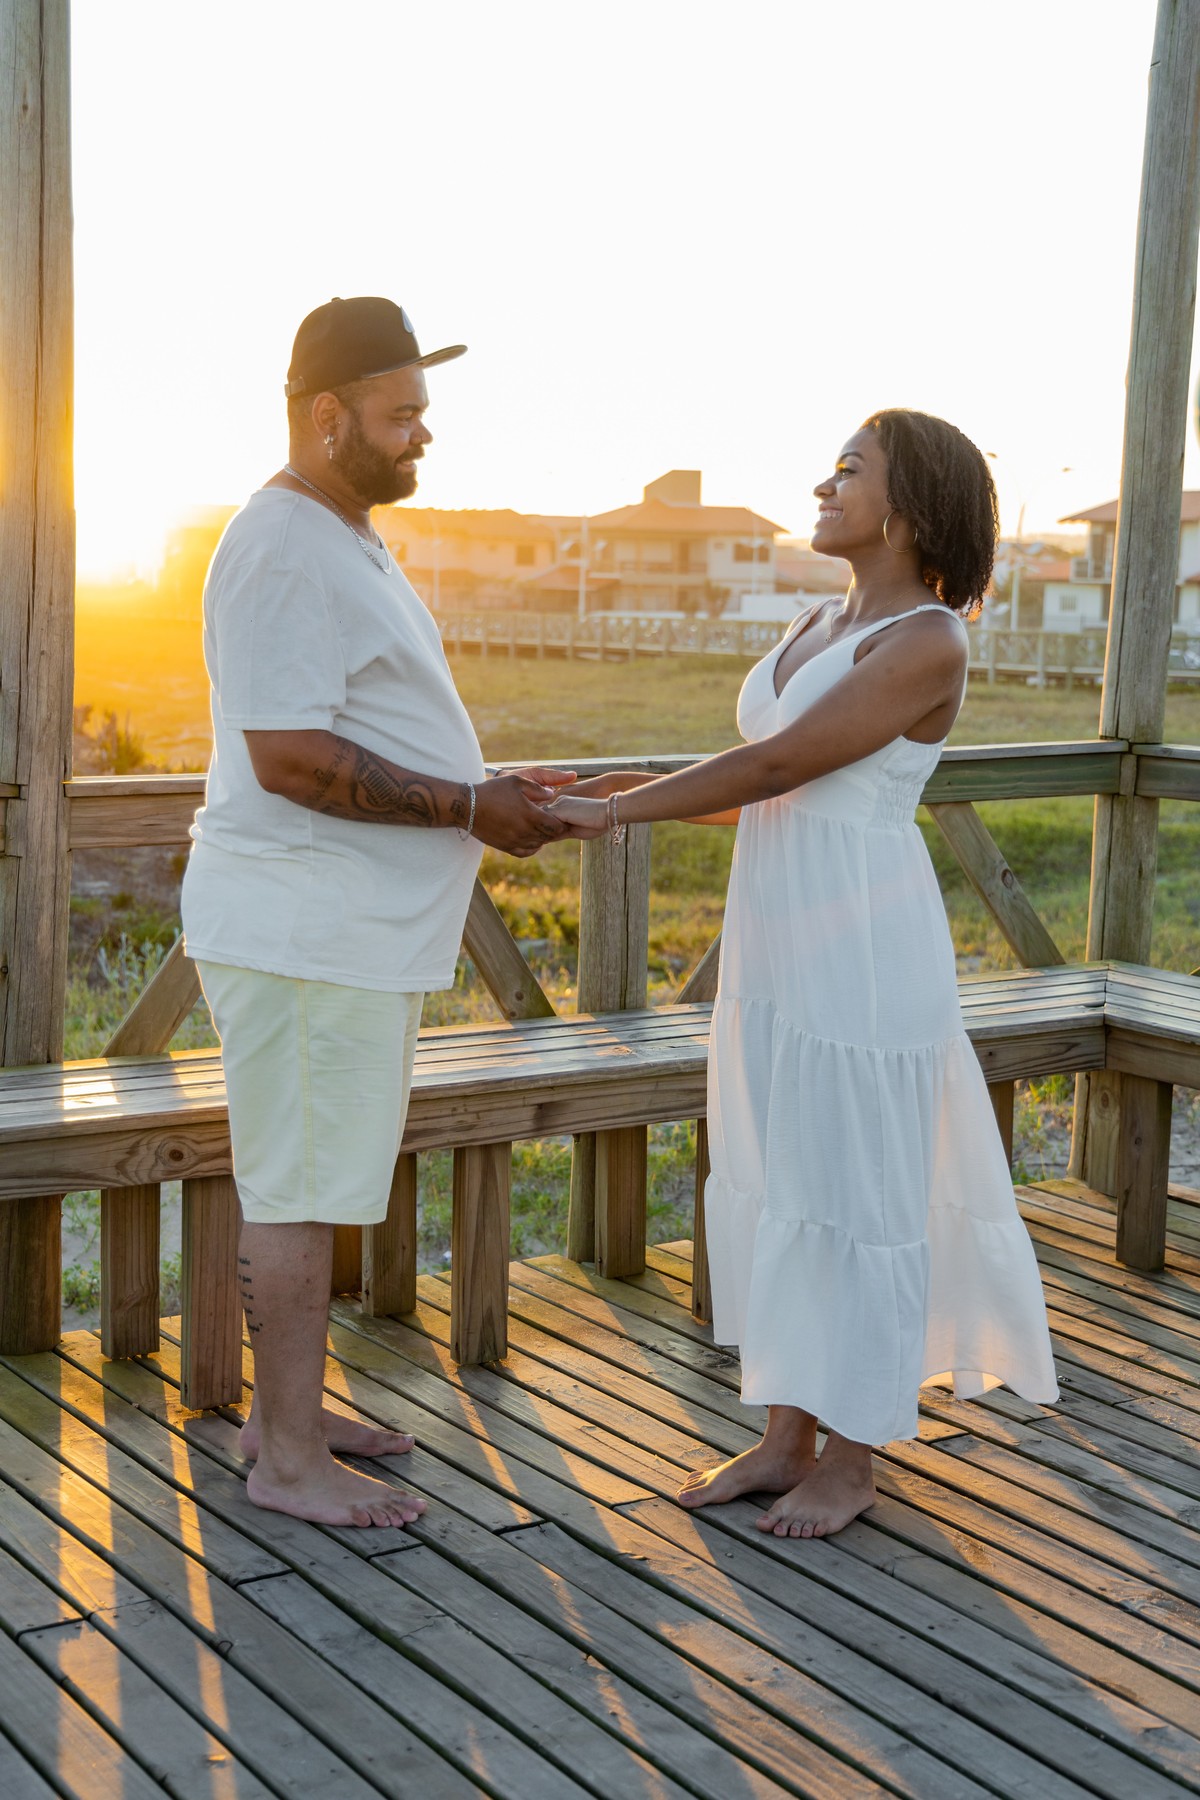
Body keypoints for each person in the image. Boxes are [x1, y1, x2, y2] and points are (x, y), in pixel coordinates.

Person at [552, 409, 1058, 1539]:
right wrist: (607, 789)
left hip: (865, 950)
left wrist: (618, 815)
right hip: (779, 937)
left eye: (849, 471)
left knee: (857, 1185)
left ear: (909, 507)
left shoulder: (929, 640)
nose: (824, 487)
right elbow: (769, 783)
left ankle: (855, 1456)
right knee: (781, 1168)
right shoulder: (817, 619)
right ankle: (785, 1436)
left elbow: (781, 761)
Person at [181, 296, 573, 1528]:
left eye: (423, 413)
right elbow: (289, 756)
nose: (423, 436)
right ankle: (290, 1461)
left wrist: (481, 787)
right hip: (306, 929)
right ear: (325, 415)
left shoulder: (341, 534)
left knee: (322, 1176)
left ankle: (285, 1416)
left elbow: (358, 719)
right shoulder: (281, 543)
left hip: (343, 935)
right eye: (402, 415)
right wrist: (469, 804)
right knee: (298, 1189)